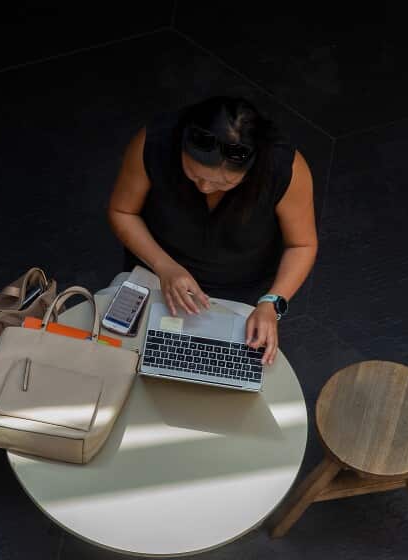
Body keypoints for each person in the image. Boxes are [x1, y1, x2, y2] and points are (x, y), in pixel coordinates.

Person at [107, 96, 318, 365]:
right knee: (121, 359)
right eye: (194, 175)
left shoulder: (284, 167)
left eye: (224, 183)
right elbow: (122, 212)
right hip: (155, 273)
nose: (205, 188)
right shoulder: (155, 142)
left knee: (228, 372)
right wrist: (164, 266)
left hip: (242, 292)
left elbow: (301, 245)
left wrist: (272, 302)